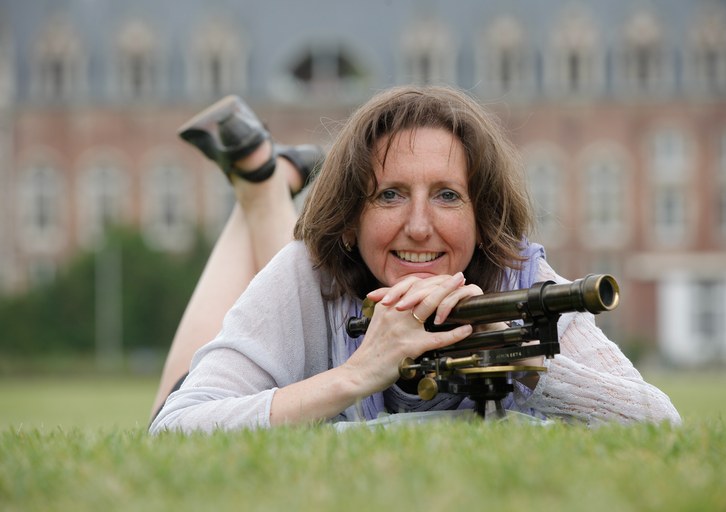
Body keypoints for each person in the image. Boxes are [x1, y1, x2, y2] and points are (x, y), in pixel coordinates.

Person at [149, 86, 681, 433]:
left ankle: (268, 178)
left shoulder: (521, 277)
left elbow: (660, 423)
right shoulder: (305, 271)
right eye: (389, 195)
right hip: (270, 349)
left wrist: (523, 362)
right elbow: (172, 429)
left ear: (482, 217)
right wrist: (357, 375)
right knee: (294, 266)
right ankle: (262, 186)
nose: (420, 226)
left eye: (448, 195)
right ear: (351, 219)